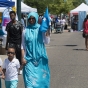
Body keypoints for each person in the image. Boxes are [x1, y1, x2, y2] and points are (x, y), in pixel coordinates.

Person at [21, 12, 50, 88]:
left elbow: (47, 42)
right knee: (29, 83)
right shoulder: (25, 31)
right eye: (29, 18)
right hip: (29, 60)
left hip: (40, 59)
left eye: (33, 18)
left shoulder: (41, 29)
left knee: (41, 82)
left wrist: (47, 31)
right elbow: (22, 45)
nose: (31, 20)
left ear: (36, 19)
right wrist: (22, 57)